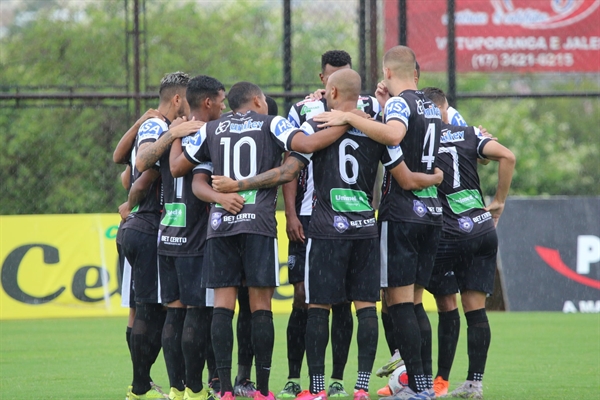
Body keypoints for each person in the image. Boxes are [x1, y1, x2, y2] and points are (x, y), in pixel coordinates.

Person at [171, 81, 350, 400]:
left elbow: (180, 169)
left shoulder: (212, 129)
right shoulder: (273, 123)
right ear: (257, 100)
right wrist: (346, 121)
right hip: (258, 224)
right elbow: (306, 146)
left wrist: (219, 195)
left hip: (221, 225)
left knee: (223, 309)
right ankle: (263, 390)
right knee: (259, 308)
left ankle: (224, 389)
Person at [314, 45, 443, 400]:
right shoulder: (432, 106)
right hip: (431, 212)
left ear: (387, 72)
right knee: (415, 303)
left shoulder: (399, 105)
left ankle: (418, 387)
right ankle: (423, 383)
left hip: (401, 213)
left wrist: (351, 117)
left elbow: (394, 136)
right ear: (413, 73)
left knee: (398, 304)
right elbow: (427, 153)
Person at [279, 50, 380, 399]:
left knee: (321, 303)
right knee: (354, 302)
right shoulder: (376, 119)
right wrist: (291, 214)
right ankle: (356, 386)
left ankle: (323, 384)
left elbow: (292, 162)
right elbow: (396, 150)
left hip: (325, 222)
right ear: (322, 80)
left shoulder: (315, 118)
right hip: (362, 222)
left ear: (332, 90)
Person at [134, 75, 226, 400]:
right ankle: (196, 389)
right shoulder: (206, 134)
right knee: (197, 314)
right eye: (220, 100)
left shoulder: (171, 135)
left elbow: (137, 165)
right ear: (202, 101)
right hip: (195, 239)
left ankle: (176, 389)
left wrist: (171, 134)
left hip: (167, 236)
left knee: (175, 313)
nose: (223, 106)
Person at [422, 87, 515, 399]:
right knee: (475, 310)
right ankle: (474, 383)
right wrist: (499, 200)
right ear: (446, 109)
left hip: (447, 233)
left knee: (409, 299)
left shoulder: (421, 139)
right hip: (482, 228)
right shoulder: (469, 132)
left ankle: (419, 378)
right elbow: (507, 156)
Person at [121, 71, 197, 400]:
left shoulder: (149, 124)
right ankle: (142, 387)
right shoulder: (160, 128)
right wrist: (132, 205)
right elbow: (140, 172)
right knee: (154, 310)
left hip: (136, 227)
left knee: (141, 309)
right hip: (150, 224)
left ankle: (144, 384)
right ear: (178, 100)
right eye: (189, 100)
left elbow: (121, 164)